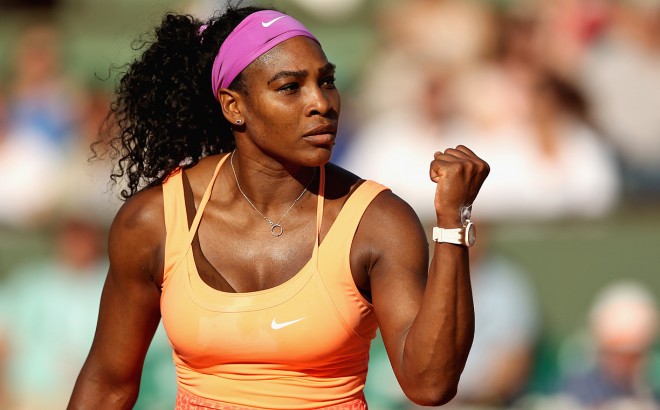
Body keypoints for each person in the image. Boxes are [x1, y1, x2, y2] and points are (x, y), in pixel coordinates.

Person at [68, 5, 489, 409]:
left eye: (327, 81)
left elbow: (429, 384)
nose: (322, 103)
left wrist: (453, 222)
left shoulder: (379, 221)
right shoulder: (155, 219)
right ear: (234, 106)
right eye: (290, 87)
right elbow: (108, 385)